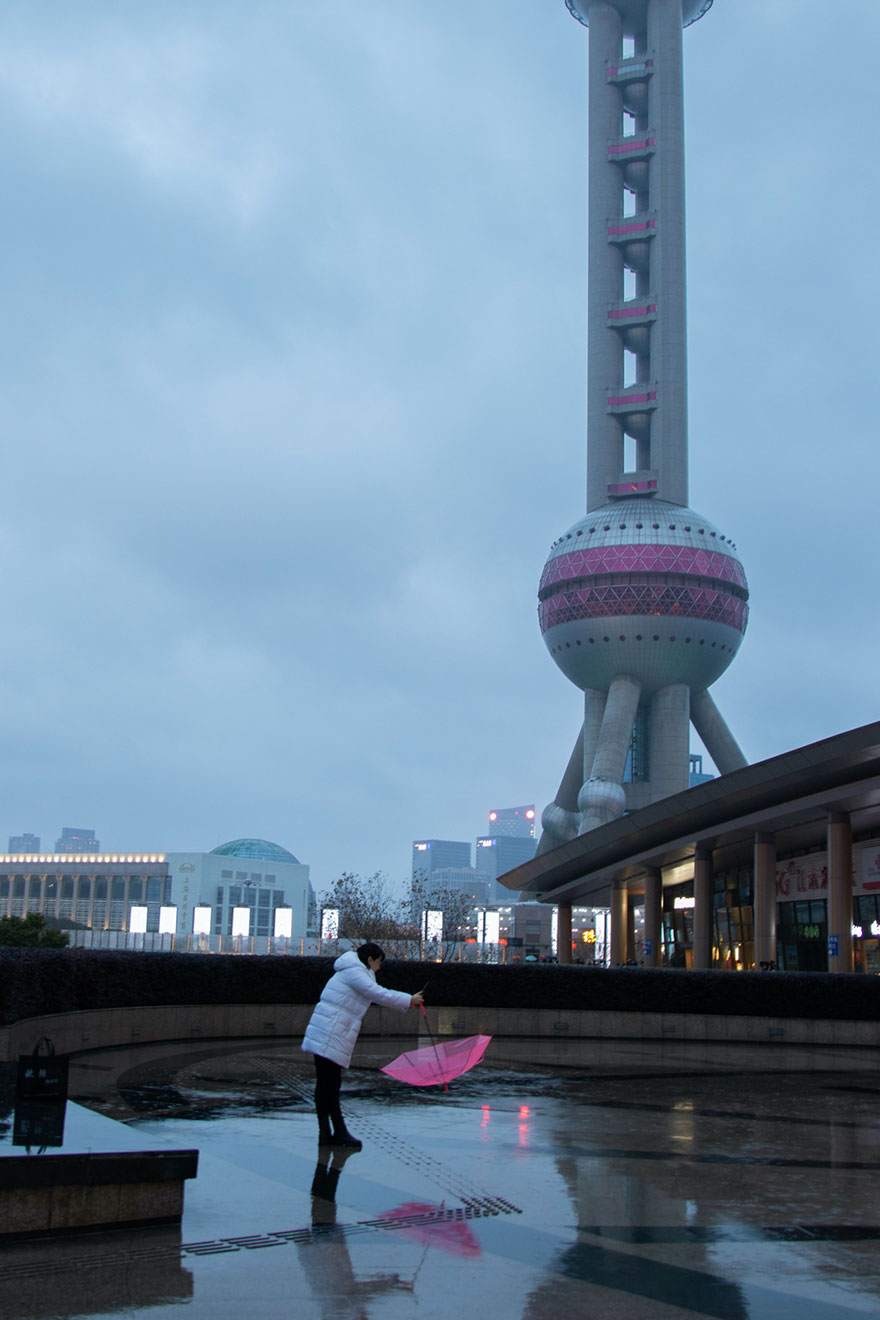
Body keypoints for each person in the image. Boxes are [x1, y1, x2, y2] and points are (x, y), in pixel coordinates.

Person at [301, 942, 423, 1148]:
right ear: (369, 960)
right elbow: (379, 994)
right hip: (330, 1032)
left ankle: (327, 1134)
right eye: (378, 962)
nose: (380, 967)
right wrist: (409, 999)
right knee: (330, 1085)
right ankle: (337, 1133)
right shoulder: (355, 973)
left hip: (327, 1031)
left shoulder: (353, 970)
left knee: (326, 1085)